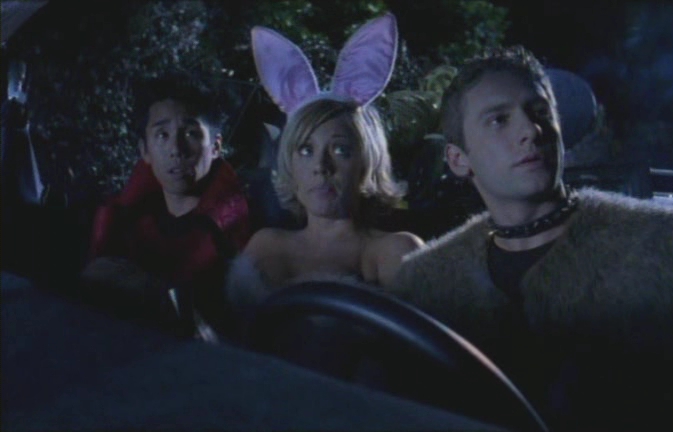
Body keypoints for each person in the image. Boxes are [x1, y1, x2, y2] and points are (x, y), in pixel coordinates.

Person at [388, 46, 673, 431]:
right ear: (458, 160)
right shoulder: (424, 282)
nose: (531, 131)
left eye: (540, 112)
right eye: (499, 120)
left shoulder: (668, 246)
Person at [226, 13, 422, 313]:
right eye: (306, 150)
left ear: (367, 161)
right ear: (289, 162)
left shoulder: (394, 251)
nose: (321, 166)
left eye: (340, 150)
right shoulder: (265, 247)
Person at [81, 73, 251, 341]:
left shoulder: (237, 236)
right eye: (162, 134)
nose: (176, 149)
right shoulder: (122, 219)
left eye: (191, 133)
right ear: (144, 151)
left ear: (216, 147)